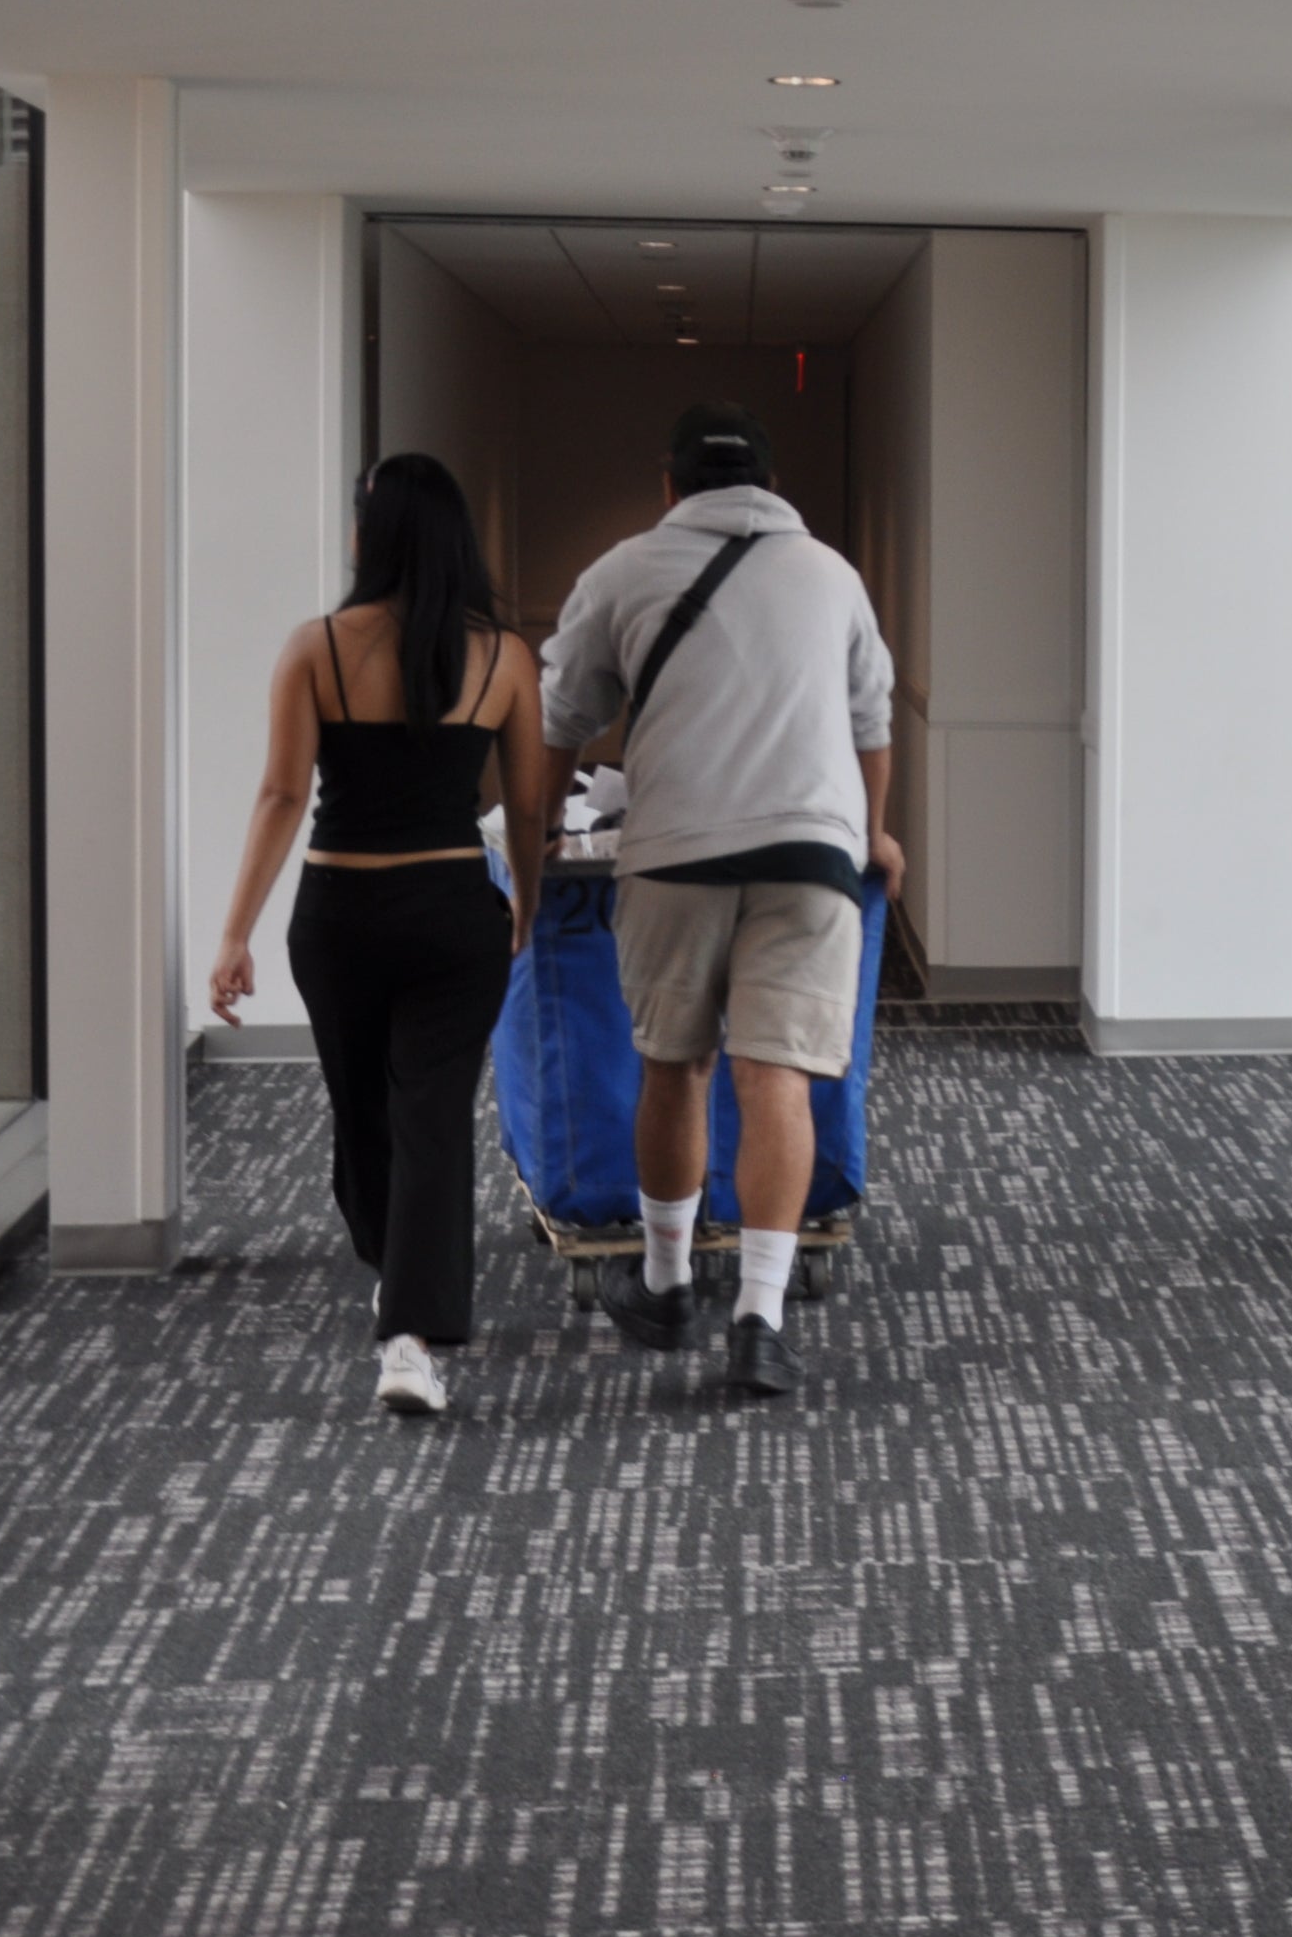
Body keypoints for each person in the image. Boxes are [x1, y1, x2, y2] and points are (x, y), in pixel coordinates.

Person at [521, 402, 898, 1398]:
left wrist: (539, 830)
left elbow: (561, 716)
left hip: (676, 853)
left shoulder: (622, 569)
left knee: (675, 1068)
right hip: (811, 855)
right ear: (772, 483)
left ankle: (668, 1281)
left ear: (669, 483)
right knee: (777, 1078)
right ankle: (759, 1318)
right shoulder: (832, 574)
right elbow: (871, 720)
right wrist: (872, 832)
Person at [206, 453, 550, 1418]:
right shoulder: (504, 657)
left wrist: (235, 934)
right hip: (451, 915)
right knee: (429, 1118)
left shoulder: (315, 648)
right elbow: (529, 806)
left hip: (340, 917)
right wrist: (526, 901)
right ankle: (407, 1305)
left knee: (364, 1115)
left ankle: (404, 1321)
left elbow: (281, 795)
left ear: (372, 535)